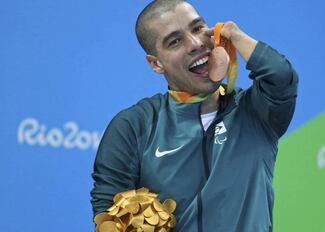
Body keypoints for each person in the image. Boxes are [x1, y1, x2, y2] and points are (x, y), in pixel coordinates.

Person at [90, 0, 298, 231]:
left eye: (198, 28)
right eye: (175, 41)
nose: (196, 43)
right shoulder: (134, 125)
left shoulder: (255, 112)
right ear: (156, 64)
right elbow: (108, 210)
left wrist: (235, 35)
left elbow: (281, 77)